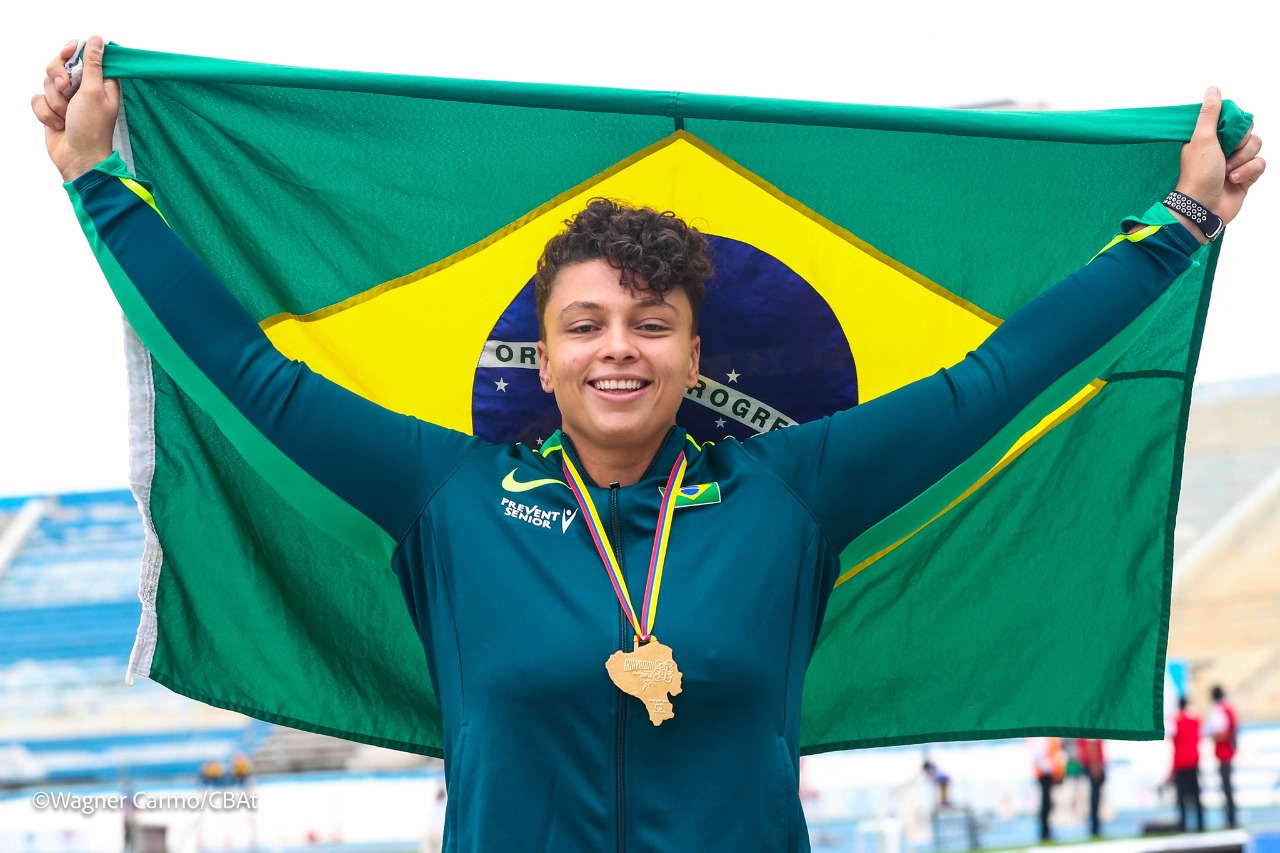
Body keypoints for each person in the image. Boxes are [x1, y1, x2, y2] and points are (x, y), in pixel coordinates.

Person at [32, 36, 1265, 853]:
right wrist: (95, 181)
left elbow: (991, 381)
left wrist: (1180, 222)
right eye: (585, 323)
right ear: (546, 353)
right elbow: (251, 373)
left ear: (691, 358)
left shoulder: (792, 490)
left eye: (650, 323)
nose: (616, 348)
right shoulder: (449, 494)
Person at [1204, 684, 1239, 828]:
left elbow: (1222, 733)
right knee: (1227, 787)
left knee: (1226, 788)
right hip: (1228, 751)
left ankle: (1231, 819)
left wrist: (1213, 735)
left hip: (1224, 753)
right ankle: (1231, 818)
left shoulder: (1219, 710)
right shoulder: (1229, 708)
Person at [1171, 697, 1205, 832]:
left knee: (1182, 798)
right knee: (1196, 797)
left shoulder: (1175, 722)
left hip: (1181, 764)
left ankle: (1183, 826)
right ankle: (1200, 824)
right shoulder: (1195, 721)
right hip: (1193, 762)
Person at [1030, 737, 1066, 842]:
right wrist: (1051, 770)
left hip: (1049, 773)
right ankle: (1044, 832)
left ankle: (1046, 831)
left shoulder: (1049, 738)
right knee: (1046, 804)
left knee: (1048, 804)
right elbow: (1039, 755)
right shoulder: (1041, 738)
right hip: (1045, 774)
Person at [1076, 738, 1106, 837]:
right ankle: (1094, 828)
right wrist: (1096, 764)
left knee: (1094, 797)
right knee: (1094, 797)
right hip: (1092, 764)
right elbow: (1091, 744)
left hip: (1090, 764)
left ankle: (1094, 827)